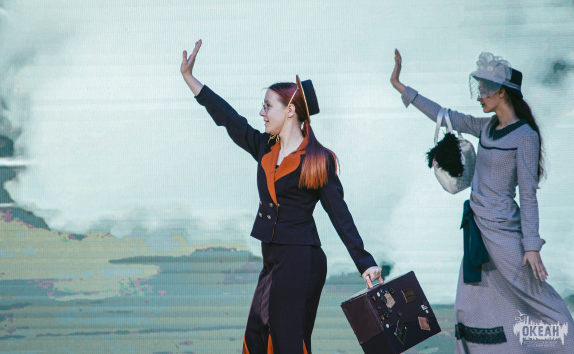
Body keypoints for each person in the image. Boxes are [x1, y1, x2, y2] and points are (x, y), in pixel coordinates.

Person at [180, 40, 382, 354]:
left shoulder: (317, 160)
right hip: (273, 259)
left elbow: (339, 215)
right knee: (257, 334)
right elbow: (229, 119)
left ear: (290, 111)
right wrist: (190, 79)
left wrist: (365, 263)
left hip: (301, 259)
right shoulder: (265, 147)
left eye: (267, 106)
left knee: (287, 340)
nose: (261, 113)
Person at [390, 49, 574, 353]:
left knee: (540, 301)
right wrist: (400, 86)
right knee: (471, 303)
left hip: (504, 234)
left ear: (502, 92)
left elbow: (528, 195)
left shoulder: (525, 136)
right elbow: (444, 115)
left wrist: (531, 246)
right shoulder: (485, 127)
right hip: (477, 230)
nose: (479, 96)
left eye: (485, 90)